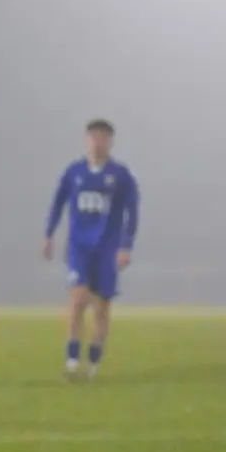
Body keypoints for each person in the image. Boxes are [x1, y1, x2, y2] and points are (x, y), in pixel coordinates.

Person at [42, 118, 139, 381]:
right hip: (79, 248)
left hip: (106, 250)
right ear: (87, 140)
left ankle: (94, 361)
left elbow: (133, 211)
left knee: (101, 308)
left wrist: (126, 246)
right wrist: (48, 234)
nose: (98, 143)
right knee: (77, 300)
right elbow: (58, 202)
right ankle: (72, 361)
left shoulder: (120, 176)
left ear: (110, 142)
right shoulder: (74, 172)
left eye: (103, 138)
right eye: (93, 137)